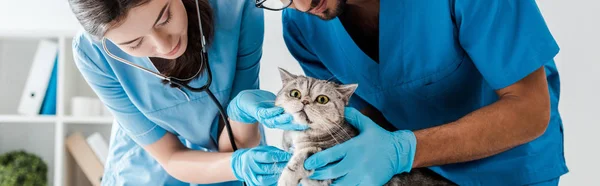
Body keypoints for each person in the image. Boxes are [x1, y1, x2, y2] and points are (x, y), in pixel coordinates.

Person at [277, 0, 568, 185]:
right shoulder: (303, 23)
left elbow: (530, 109)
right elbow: (352, 117)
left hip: (507, 170)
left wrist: (402, 151)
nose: (302, 5)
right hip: (405, 178)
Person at [68, 0, 306, 185]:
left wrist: (241, 115)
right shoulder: (93, 54)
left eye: (165, 18)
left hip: (234, 145)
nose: (164, 45)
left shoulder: (236, 6)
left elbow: (238, 142)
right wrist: (236, 164)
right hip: (148, 170)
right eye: (134, 44)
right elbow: (170, 156)